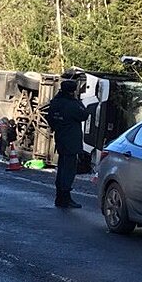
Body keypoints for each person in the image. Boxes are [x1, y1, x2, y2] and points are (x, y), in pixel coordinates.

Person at [47, 80, 89, 208]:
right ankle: (65, 197)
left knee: (62, 168)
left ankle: (59, 196)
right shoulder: (72, 104)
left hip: (60, 138)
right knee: (68, 170)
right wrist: (77, 100)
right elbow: (84, 115)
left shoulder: (55, 102)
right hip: (71, 140)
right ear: (73, 91)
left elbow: (50, 119)